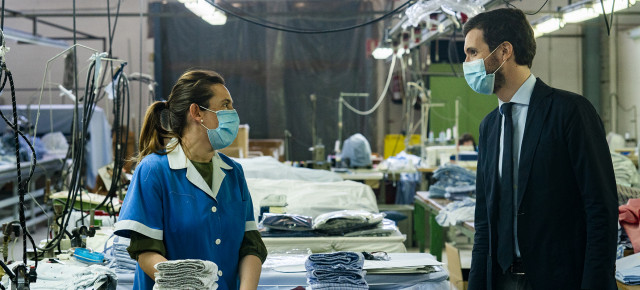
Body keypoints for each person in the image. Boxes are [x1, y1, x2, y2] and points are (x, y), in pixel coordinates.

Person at [462, 8, 617, 290]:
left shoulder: (569, 113)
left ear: (504, 52)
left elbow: (601, 212)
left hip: (558, 279)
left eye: (473, 52)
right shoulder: (490, 127)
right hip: (501, 279)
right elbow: (484, 220)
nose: (467, 63)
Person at [114, 70, 267, 290]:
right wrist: (186, 284)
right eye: (225, 105)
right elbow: (145, 250)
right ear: (197, 112)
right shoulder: (153, 171)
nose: (232, 113)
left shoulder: (233, 172)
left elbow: (250, 246)